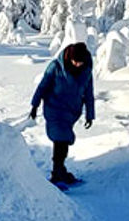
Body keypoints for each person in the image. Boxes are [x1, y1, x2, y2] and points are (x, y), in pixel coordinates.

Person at [29, 41, 95, 185]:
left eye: (80, 62)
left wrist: (90, 115)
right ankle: (57, 173)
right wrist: (35, 105)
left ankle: (59, 171)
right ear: (69, 57)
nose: (78, 65)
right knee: (61, 139)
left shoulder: (86, 70)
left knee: (63, 141)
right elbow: (42, 86)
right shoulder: (56, 67)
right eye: (75, 61)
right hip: (54, 108)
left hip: (71, 112)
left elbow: (89, 93)